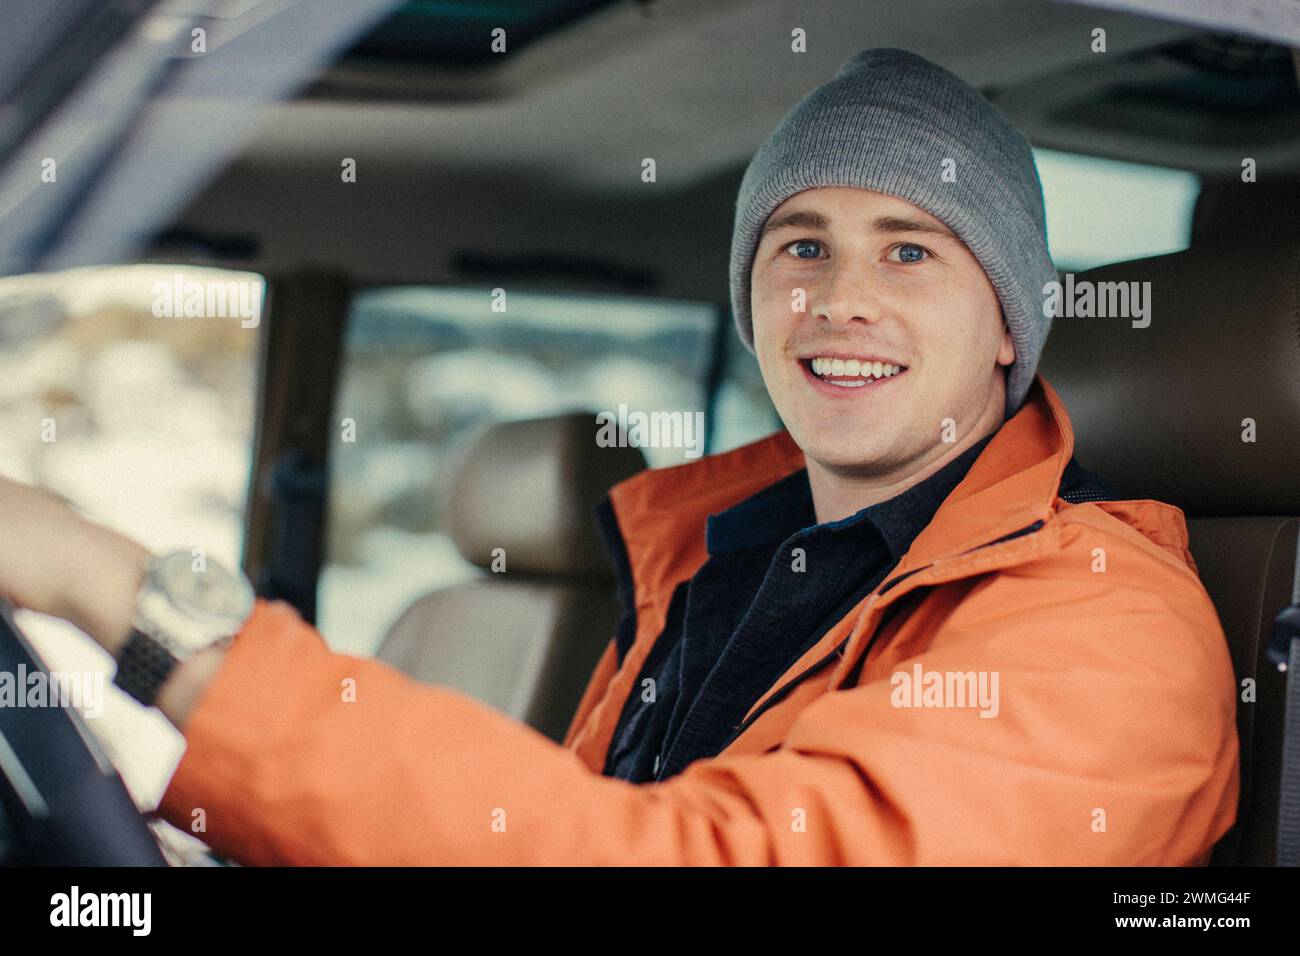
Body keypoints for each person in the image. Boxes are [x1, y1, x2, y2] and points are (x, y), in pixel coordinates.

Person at [0, 48, 1238, 865]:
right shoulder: (713, 562)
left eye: (911, 250)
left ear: (1010, 323)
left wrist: (109, 585)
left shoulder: (1103, 625)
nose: (840, 297)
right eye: (798, 246)